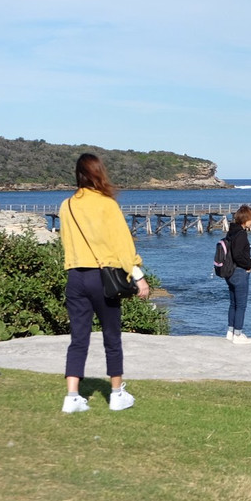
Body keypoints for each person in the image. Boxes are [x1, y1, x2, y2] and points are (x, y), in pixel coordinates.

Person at [59, 153, 150, 413]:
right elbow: (122, 244)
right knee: (111, 335)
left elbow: (66, 241)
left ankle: (72, 396)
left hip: (75, 275)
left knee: (78, 338)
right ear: (99, 172)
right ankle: (117, 393)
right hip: (102, 277)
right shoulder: (106, 204)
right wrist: (138, 275)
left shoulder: (66, 205)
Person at [223, 204, 251, 345]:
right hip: (239, 272)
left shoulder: (230, 232)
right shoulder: (242, 234)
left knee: (233, 303)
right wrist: (248, 265)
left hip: (229, 272)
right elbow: (238, 255)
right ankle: (238, 334)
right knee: (241, 305)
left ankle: (230, 332)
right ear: (246, 220)